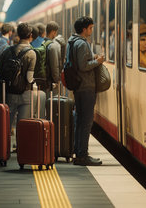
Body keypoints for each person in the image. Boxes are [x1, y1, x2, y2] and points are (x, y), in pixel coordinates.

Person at [67, 16, 104, 166]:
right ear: (84, 29)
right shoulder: (82, 44)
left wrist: (91, 57)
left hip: (79, 86)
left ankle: (79, 151)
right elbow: (83, 66)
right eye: (91, 28)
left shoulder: (72, 41)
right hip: (86, 86)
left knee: (80, 120)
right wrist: (97, 61)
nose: (91, 30)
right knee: (86, 121)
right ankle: (83, 155)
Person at [0, 23, 37, 132]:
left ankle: (5, 147)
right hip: (25, 94)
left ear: (17, 34)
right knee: (23, 126)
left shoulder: (7, 51)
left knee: (7, 126)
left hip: (10, 92)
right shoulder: (31, 53)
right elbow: (29, 78)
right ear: (30, 35)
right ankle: (20, 148)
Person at [42, 21, 62, 95]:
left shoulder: (43, 43)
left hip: (43, 79)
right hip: (50, 82)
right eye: (56, 32)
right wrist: (57, 80)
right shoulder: (53, 46)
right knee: (51, 103)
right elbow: (55, 66)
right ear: (53, 32)